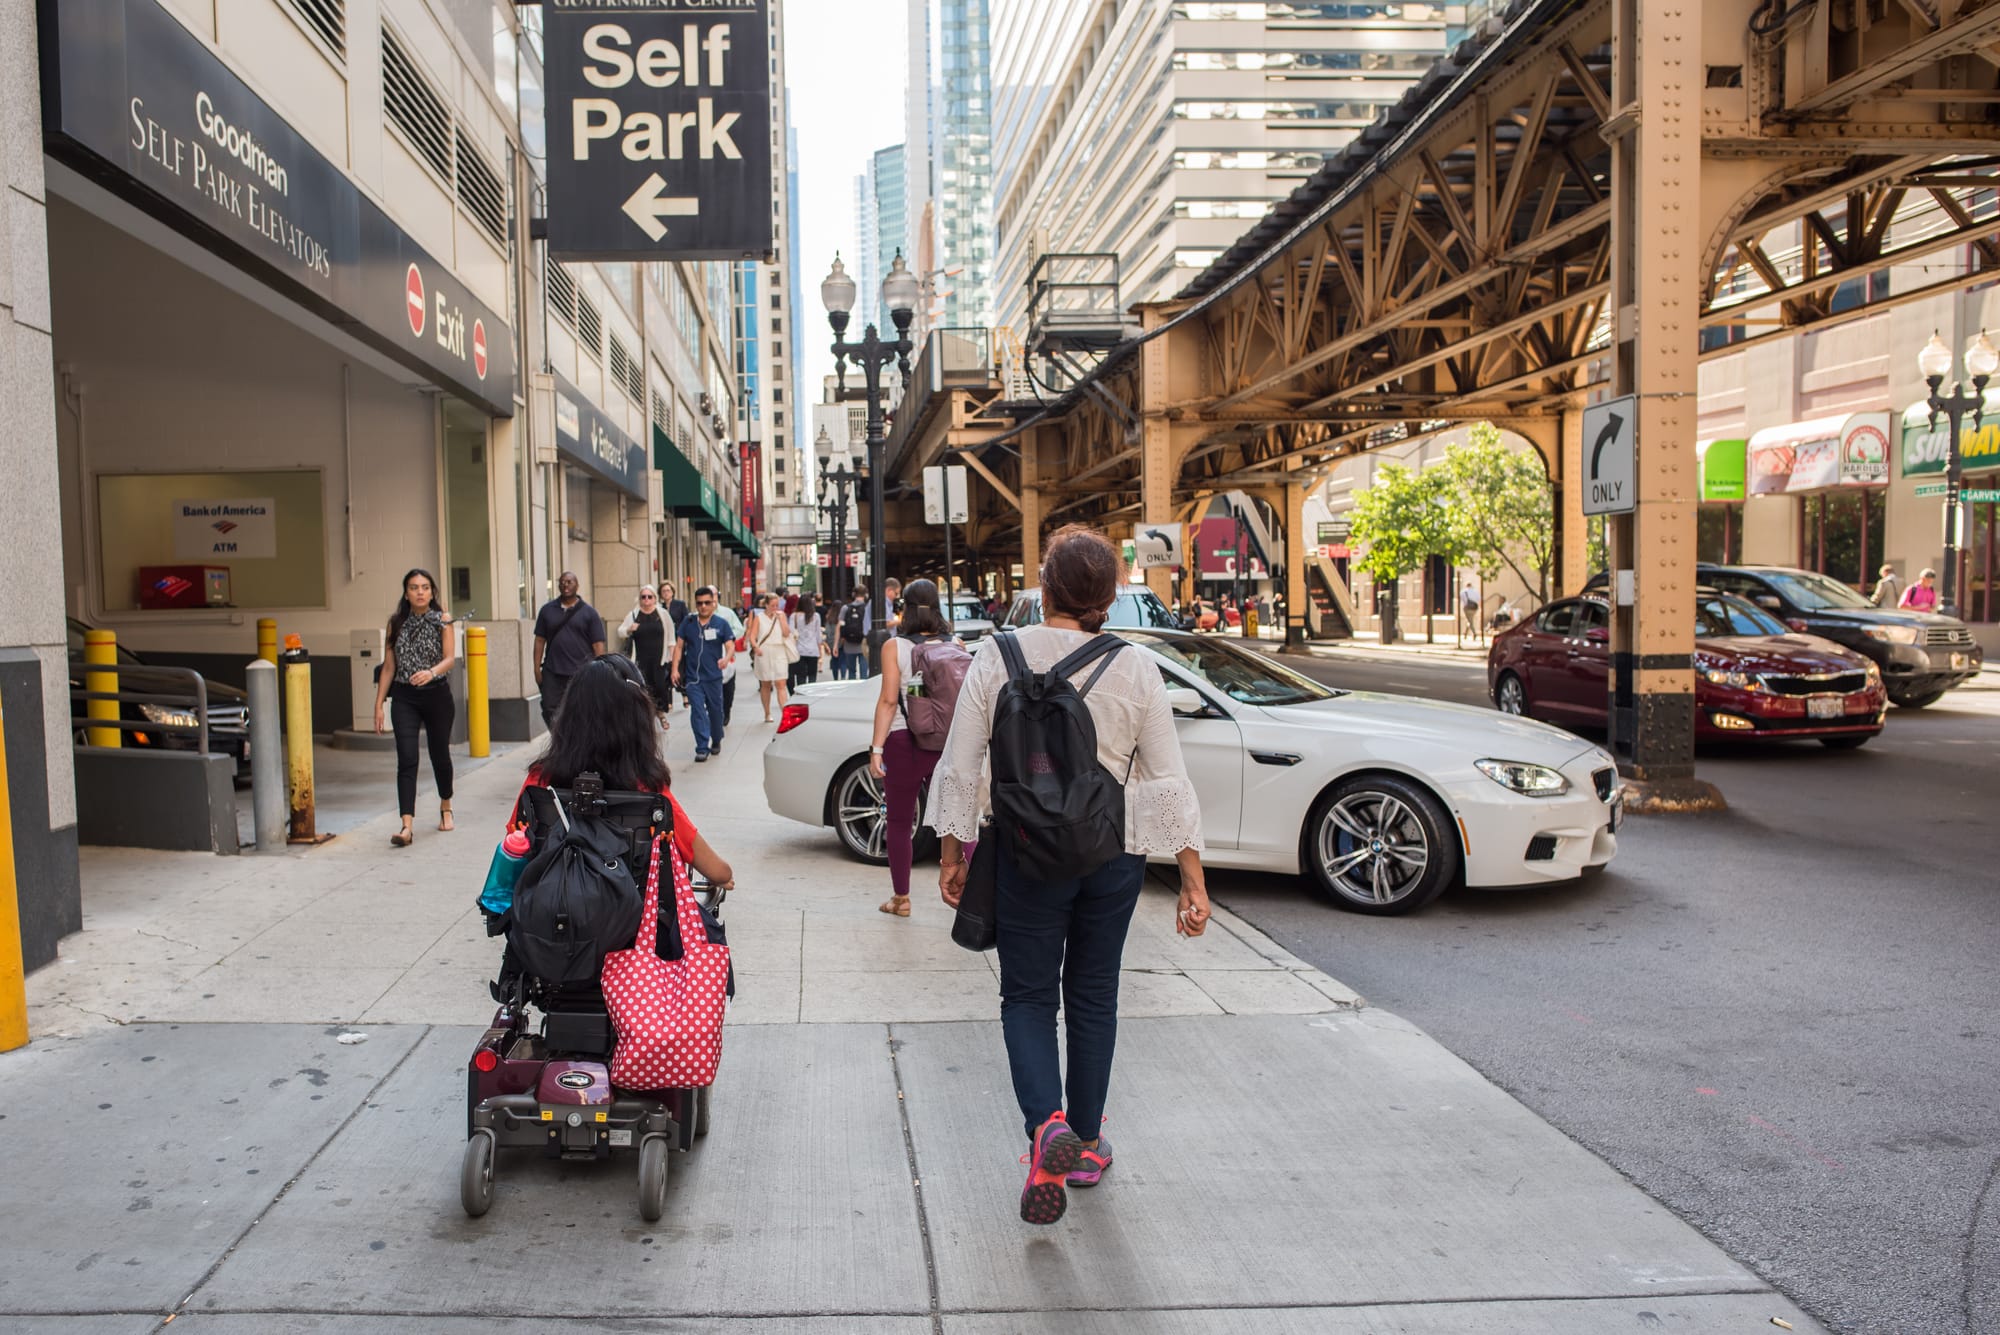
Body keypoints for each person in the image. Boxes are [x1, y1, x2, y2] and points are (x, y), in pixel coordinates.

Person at [928, 525, 1211, 1225]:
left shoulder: (997, 656)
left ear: (1044, 588)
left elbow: (962, 764)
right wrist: (1193, 878)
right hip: (1111, 854)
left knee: (1025, 997)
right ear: (1111, 598)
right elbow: (1167, 779)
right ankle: (1084, 1142)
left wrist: (953, 852)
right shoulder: (1138, 666)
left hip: (1025, 852)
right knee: (1092, 993)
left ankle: (1043, 1126)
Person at [519, 654, 733, 896]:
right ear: (636, 718)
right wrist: (725, 876)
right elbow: (716, 871)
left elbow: (515, 845)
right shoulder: (647, 788)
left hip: (552, 914)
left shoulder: (539, 781)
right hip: (631, 920)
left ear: (570, 714)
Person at [868, 580, 957, 917]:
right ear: (937, 606)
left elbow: (890, 700)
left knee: (901, 822)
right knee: (956, 819)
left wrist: (876, 748)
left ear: (904, 607)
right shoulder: (956, 643)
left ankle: (901, 899)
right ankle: (976, 894)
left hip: (904, 741)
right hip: (946, 743)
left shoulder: (895, 647)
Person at [373, 568, 456, 848]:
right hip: (405, 698)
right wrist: (379, 704)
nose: (420, 592)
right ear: (406, 593)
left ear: (432, 592)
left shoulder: (442, 621)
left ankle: (446, 805)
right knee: (407, 759)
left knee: (439, 755)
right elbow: (388, 667)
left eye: (425, 587)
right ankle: (406, 825)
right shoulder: (395, 623)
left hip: (436, 695)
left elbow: (450, 659)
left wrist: (431, 673)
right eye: (413, 587)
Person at [533, 571, 606, 728]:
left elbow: (598, 644)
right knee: (549, 708)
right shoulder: (547, 610)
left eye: (569, 582)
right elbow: (539, 640)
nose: (565, 585)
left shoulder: (589, 613)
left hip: (581, 671)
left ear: (577, 586)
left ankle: (577, 743)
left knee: (580, 710)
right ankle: (560, 741)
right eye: (562, 582)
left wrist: (601, 671)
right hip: (553, 670)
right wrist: (536, 668)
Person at [671, 586, 731, 762]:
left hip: (713, 677)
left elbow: (730, 644)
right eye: (700, 603)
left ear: (713, 603)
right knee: (697, 711)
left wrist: (726, 658)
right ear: (695, 604)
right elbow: (679, 646)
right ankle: (702, 747)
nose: (703, 606)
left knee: (715, 711)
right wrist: (674, 669)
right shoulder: (688, 623)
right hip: (693, 678)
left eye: (707, 602)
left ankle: (717, 738)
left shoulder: (721, 623)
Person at [618, 585, 673, 730]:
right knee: (643, 688)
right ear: (640, 599)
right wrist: (630, 629)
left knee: (660, 687)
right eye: (644, 597)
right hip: (640, 659)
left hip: (658, 659)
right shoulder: (633, 615)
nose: (647, 600)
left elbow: (671, 637)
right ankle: (646, 717)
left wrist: (671, 658)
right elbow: (620, 631)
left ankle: (660, 714)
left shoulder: (662, 614)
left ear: (655, 598)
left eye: (650, 596)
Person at [748, 591, 797, 723]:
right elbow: (752, 636)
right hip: (764, 651)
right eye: (773, 605)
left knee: (781, 683)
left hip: (779, 650)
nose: (776, 608)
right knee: (766, 683)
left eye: (777, 605)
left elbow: (786, 633)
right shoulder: (759, 618)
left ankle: (785, 713)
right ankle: (767, 712)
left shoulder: (781, 616)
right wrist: (755, 647)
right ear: (767, 605)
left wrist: (782, 620)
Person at [789, 593, 826, 689]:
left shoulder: (794, 616)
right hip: (813, 650)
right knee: (812, 676)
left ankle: (802, 698)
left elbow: (791, 633)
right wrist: (820, 650)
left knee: (801, 677)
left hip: (799, 650)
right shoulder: (816, 616)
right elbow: (818, 634)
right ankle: (811, 696)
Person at [834, 584, 870, 680]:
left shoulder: (845, 608)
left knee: (851, 672)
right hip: (864, 643)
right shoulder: (867, 608)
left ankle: (853, 692)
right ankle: (864, 692)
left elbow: (839, 627)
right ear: (866, 595)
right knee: (864, 672)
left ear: (853, 594)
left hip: (848, 644)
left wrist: (835, 645)